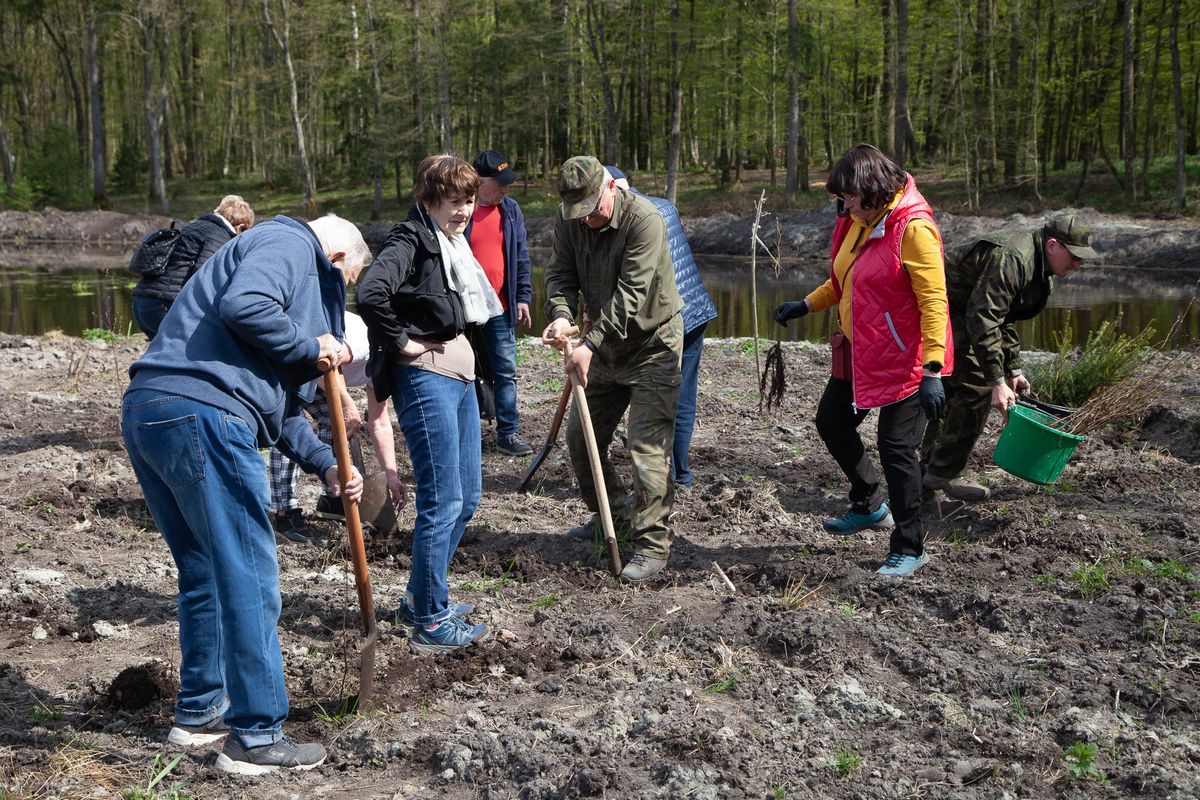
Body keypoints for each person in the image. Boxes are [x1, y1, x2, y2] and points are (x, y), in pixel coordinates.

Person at [121, 213, 369, 774]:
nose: (337, 296)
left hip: (153, 408)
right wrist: (313, 341)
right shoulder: (287, 242)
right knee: (249, 571)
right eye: (345, 283)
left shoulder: (264, 255)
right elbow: (246, 305)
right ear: (335, 261)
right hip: (204, 416)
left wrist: (328, 466)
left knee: (206, 567)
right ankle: (256, 737)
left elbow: (274, 409)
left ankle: (199, 712)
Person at [773, 143, 952, 578]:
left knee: (896, 448)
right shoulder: (859, 221)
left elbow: (934, 301)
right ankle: (870, 502)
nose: (842, 204)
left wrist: (932, 369)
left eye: (848, 196)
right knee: (832, 422)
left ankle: (910, 547)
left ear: (872, 190)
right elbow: (844, 279)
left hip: (908, 361)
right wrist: (807, 304)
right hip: (863, 350)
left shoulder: (913, 229)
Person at [356, 154, 495, 654]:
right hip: (426, 377)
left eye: (469, 200)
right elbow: (371, 292)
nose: (462, 211)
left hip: (459, 376)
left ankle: (419, 599)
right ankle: (431, 621)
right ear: (430, 198)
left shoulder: (452, 245)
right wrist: (399, 342)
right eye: (453, 201)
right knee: (442, 499)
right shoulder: (410, 239)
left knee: (469, 497)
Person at [541, 156, 683, 583]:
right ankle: (615, 514)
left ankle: (652, 544)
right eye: (576, 213)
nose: (586, 220)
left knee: (647, 449)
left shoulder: (645, 219)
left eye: (591, 208)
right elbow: (560, 274)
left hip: (652, 345)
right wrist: (563, 315)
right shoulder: (570, 220)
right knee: (581, 442)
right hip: (601, 346)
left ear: (610, 188)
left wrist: (588, 344)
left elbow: (633, 293)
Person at [920, 213, 1099, 500]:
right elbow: (983, 317)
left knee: (959, 392)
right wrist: (996, 380)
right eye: (1075, 256)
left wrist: (1013, 369)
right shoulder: (1014, 260)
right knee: (976, 387)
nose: (1078, 264)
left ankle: (925, 482)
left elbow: (1005, 319)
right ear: (1053, 245)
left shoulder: (1039, 269)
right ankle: (945, 472)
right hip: (938, 307)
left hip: (964, 311)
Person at [605, 166, 717, 489]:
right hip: (697, 307)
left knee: (658, 395)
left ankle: (664, 476)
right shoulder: (666, 205)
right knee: (683, 398)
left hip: (671, 316)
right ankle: (680, 475)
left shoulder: (631, 220)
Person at [267, 310, 407, 542]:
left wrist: (391, 476)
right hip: (292, 361)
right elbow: (322, 362)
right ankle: (285, 512)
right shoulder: (366, 345)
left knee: (336, 423)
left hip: (318, 377)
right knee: (286, 426)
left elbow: (380, 423)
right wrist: (346, 403)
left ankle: (331, 497)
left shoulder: (386, 368)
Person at [465, 150, 535, 456]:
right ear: (479, 182)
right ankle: (467, 432)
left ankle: (508, 432)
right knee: (463, 369)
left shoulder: (510, 210)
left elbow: (521, 257)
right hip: (462, 309)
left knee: (505, 370)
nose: (505, 189)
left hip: (500, 306)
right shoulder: (459, 210)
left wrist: (522, 297)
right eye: (500, 183)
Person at [131, 195, 255, 339]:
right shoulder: (218, 236)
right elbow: (204, 277)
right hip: (165, 305)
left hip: (142, 302)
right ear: (240, 228)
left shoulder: (193, 226)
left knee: (162, 354)